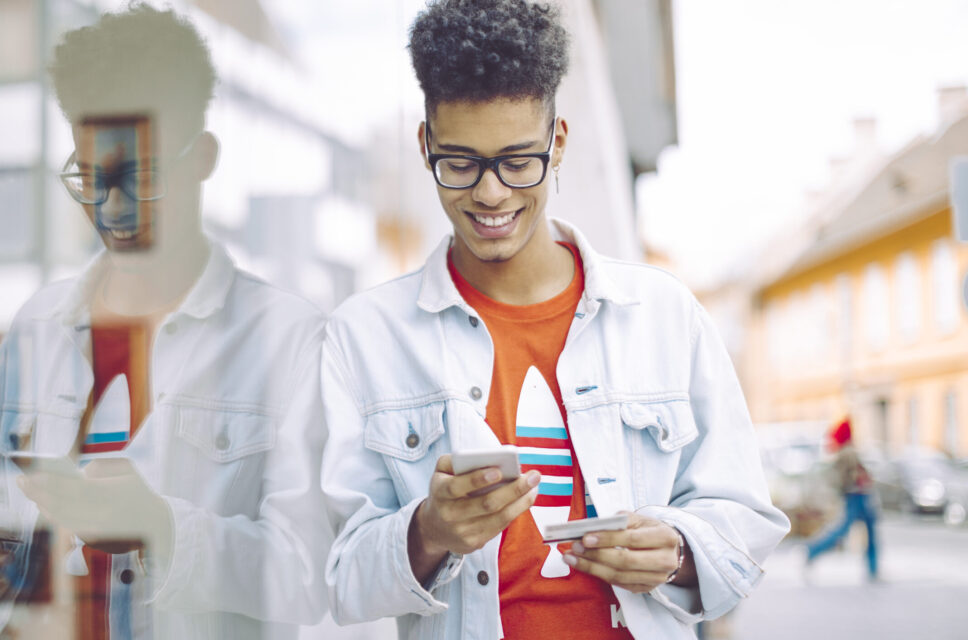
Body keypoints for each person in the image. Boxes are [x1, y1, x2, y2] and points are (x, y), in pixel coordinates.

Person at [320, 1, 789, 638]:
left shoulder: (664, 315)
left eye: (518, 161)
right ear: (425, 143)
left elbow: (747, 524)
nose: (491, 194)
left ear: (558, 143)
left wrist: (678, 552)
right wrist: (427, 532)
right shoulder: (364, 337)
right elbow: (339, 577)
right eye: (460, 163)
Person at [0, 5, 329, 638]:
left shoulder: (288, 337)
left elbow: (312, 575)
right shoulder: (38, 325)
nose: (112, 209)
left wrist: (161, 527)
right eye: (90, 178)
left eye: (141, 176)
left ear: (204, 157)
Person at [804, 417, 878, 581]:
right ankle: (812, 550)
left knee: (863, 531)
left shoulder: (843, 451)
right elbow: (848, 475)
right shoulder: (848, 452)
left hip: (856, 495)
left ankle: (873, 569)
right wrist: (861, 478)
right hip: (857, 495)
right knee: (846, 530)